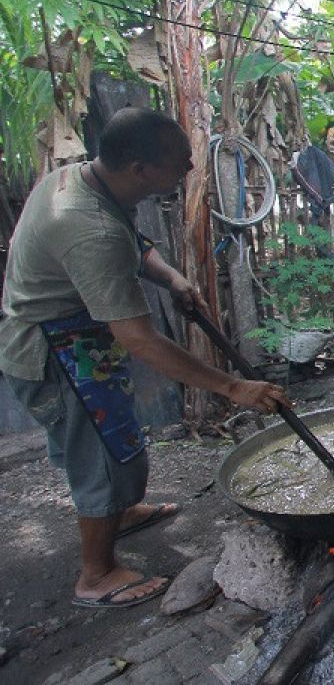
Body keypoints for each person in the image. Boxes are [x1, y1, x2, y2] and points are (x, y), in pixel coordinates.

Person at [0, 108, 289, 609]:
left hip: (78, 338)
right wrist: (231, 387)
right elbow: (140, 339)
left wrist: (173, 278)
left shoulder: (85, 180)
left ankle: (120, 511)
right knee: (102, 456)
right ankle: (96, 574)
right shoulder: (87, 227)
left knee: (116, 441)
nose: (190, 170)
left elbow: (133, 243)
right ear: (139, 169)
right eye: (180, 162)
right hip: (55, 353)